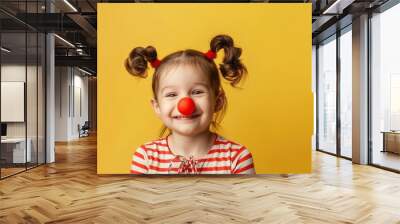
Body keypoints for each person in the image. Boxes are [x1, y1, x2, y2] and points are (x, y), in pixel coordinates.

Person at [126, 34, 255, 174]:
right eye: (171, 94)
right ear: (157, 107)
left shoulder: (237, 158)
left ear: (218, 102)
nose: (185, 104)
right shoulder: (145, 158)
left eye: (197, 92)